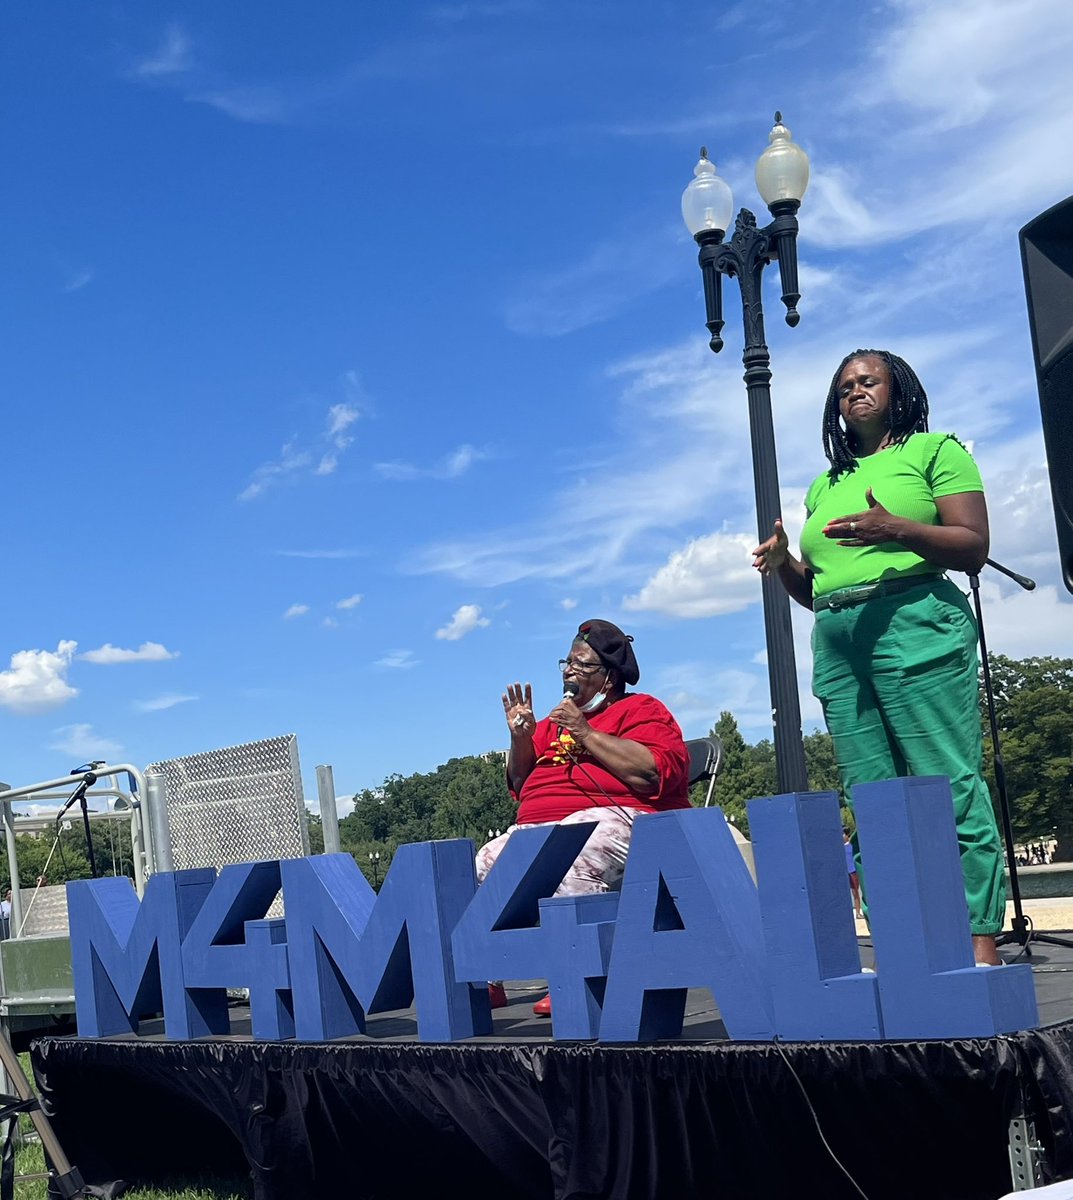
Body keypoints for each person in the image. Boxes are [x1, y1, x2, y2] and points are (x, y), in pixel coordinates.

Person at [752, 349, 1005, 967]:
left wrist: (896, 528)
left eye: (869, 382)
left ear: (900, 390)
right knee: (872, 796)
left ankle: (978, 937)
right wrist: (785, 561)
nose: (855, 393)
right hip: (840, 640)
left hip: (914, 620)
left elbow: (972, 547)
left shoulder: (936, 451)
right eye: (844, 388)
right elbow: (816, 591)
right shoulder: (826, 484)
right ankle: (904, 940)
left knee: (947, 782)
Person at [477, 618, 691, 1012]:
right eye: (567, 663)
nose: (570, 671)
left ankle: (580, 978)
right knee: (486, 859)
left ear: (609, 678)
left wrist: (586, 734)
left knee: (573, 848)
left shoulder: (641, 709)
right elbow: (521, 784)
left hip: (624, 819)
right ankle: (488, 978)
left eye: (582, 664)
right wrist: (521, 739)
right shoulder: (552, 725)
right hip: (542, 826)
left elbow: (652, 772)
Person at [845, 829, 862, 919]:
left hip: (853, 871)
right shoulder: (841, 847)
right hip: (846, 872)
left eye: (843, 834)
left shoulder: (851, 846)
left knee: (855, 892)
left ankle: (858, 913)